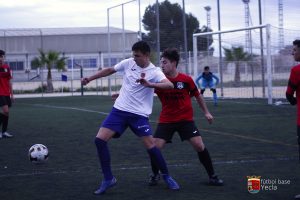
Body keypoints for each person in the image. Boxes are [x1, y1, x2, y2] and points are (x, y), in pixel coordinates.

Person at [81, 41, 180, 195]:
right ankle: (108, 179)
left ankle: (167, 176)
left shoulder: (154, 72)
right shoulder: (128, 63)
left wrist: (150, 85)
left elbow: (169, 85)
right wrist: (90, 78)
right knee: (99, 140)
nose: (134, 58)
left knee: (151, 147)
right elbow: (109, 70)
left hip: (139, 115)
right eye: (133, 55)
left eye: (137, 55)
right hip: (119, 110)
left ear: (146, 55)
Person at [148, 48, 223, 187]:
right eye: (161, 62)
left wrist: (206, 112)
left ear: (174, 63)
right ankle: (155, 174)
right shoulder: (158, 80)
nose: (162, 65)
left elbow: (197, 96)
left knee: (199, 145)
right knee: (155, 147)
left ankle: (212, 176)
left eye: (164, 62)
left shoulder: (186, 79)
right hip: (166, 120)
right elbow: (142, 90)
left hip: (185, 120)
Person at [286, 39, 300, 200]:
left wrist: (294, 102)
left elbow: (289, 95)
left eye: (295, 50)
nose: (292, 52)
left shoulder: (296, 70)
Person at [0, 50, 14, 139]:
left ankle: (4, 132)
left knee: (7, 113)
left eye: (2, 56)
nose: (0, 58)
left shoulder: (7, 68)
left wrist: (12, 94)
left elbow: (9, 82)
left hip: (6, 93)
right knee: (6, 111)